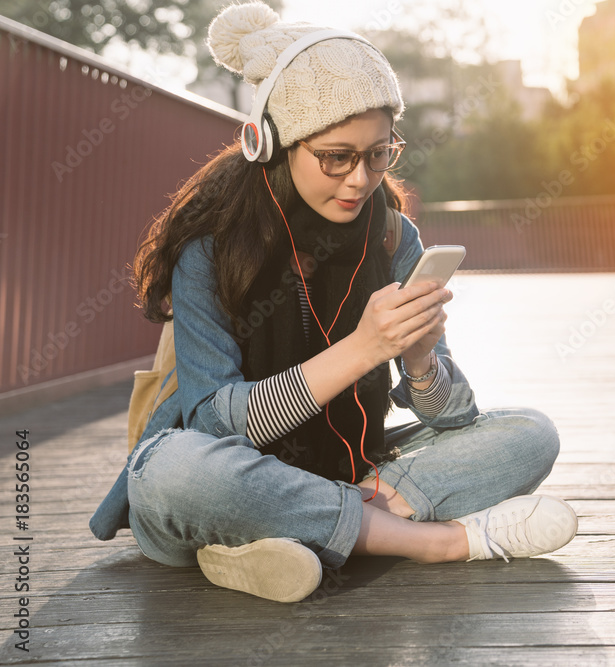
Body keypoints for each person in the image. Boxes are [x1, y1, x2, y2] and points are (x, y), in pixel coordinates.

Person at [89, 2, 577, 603]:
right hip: (228, 475)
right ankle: (436, 539)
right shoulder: (210, 251)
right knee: (170, 472)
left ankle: (270, 540)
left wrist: (422, 361)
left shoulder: (396, 238)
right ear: (270, 143)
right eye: (336, 157)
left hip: (354, 468)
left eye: (379, 154)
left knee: (532, 433)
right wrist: (364, 350)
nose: (360, 179)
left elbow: (449, 421)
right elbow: (214, 423)